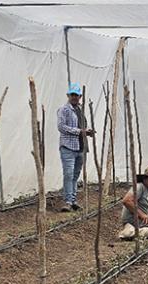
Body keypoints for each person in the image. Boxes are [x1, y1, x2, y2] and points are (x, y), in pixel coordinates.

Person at [57, 82, 94, 212]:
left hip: (81, 147)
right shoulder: (64, 109)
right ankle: (67, 201)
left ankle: (73, 200)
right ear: (68, 95)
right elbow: (61, 127)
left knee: (75, 175)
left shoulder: (80, 110)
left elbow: (81, 127)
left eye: (76, 95)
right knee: (68, 174)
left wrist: (87, 132)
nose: (74, 97)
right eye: (72, 95)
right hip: (68, 147)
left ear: (80, 96)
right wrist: (80, 131)